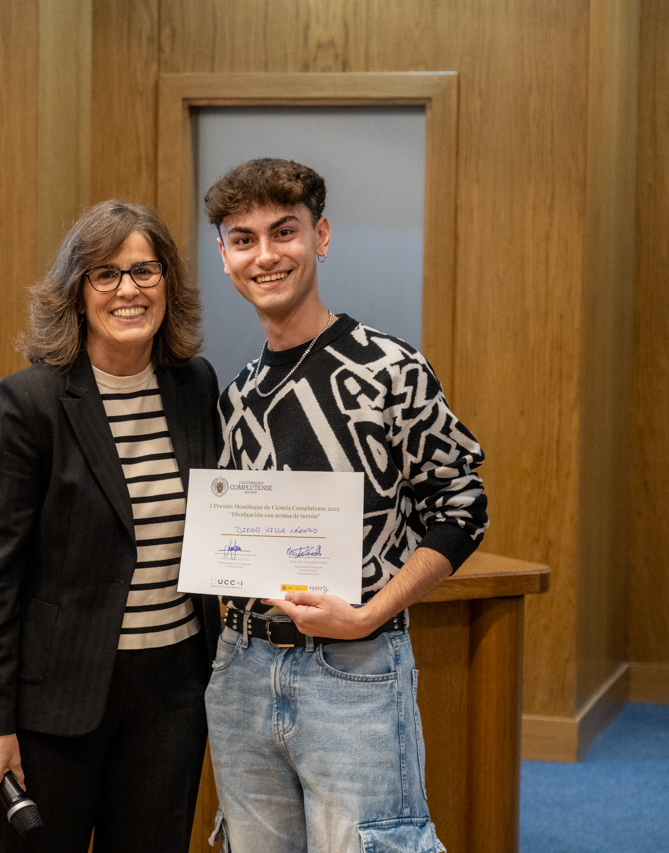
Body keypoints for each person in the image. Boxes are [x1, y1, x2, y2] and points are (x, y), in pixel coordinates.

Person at [203, 158, 489, 853]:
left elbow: (462, 507)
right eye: (243, 238)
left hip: (353, 669)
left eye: (285, 231)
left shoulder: (390, 369)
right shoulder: (235, 394)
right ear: (224, 255)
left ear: (321, 236)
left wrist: (367, 615)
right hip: (240, 670)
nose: (265, 254)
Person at [0, 200, 222, 853]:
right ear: (76, 293)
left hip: (172, 693)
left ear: (168, 284)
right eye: (105, 274)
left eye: (144, 270)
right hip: (55, 704)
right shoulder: (30, 403)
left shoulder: (195, 385)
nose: (128, 289)